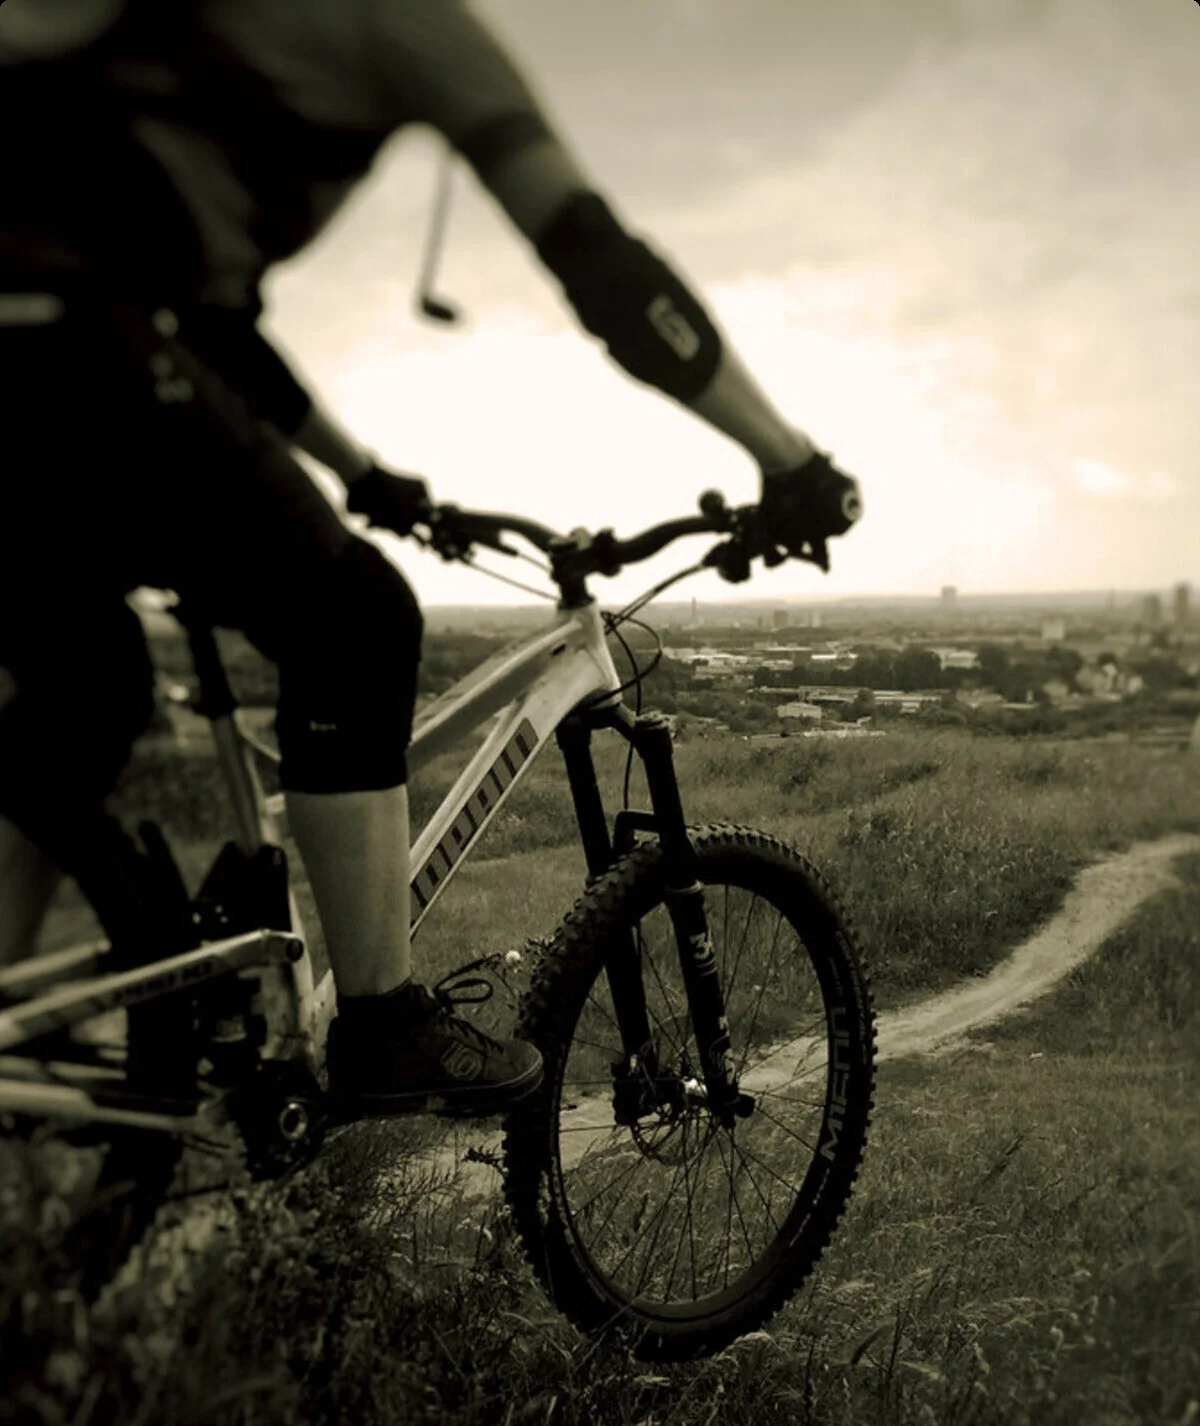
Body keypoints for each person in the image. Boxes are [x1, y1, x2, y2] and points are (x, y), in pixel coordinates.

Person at [0, 0, 862, 1116]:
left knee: (88, 689)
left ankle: (10, 1016)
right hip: (57, 328)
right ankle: (382, 1026)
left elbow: (215, 331)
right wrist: (787, 458)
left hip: (53, 333)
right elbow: (601, 263)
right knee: (355, 617)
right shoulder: (409, 20)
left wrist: (366, 476)